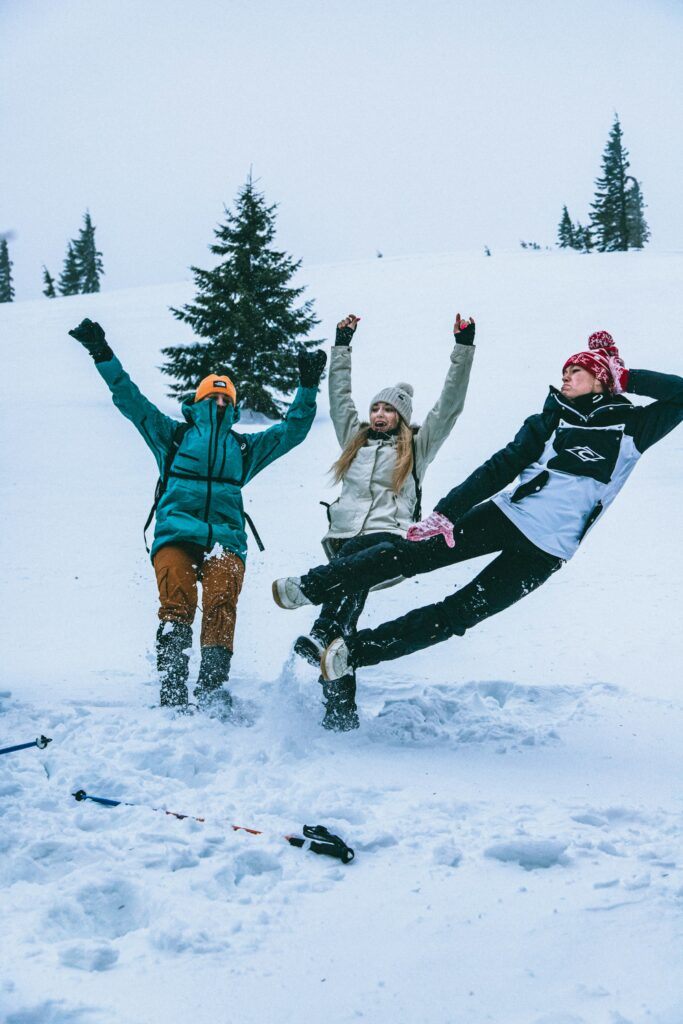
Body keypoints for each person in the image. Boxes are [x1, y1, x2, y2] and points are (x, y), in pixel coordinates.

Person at [271, 330, 683, 687]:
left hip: (548, 552)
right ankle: (312, 586)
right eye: (563, 372)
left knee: (458, 615)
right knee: (413, 557)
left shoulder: (634, 428)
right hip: (506, 517)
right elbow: (499, 468)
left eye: (575, 371)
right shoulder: (548, 421)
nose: (565, 378)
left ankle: (352, 654)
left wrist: (624, 375)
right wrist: (447, 512)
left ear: (599, 380)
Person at [69, 318, 326, 712]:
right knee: (178, 601)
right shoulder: (171, 436)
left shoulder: (243, 449)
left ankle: (211, 689)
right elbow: (129, 399)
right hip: (175, 534)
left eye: (226, 399)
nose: (220, 403)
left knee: (222, 598)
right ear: (199, 401)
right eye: (213, 397)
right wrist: (101, 352)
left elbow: (292, 432)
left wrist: (307, 386)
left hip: (225, 538)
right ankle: (172, 689)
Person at [273, 310, 477, 730]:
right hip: (344, 542)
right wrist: (342, 346)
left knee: (359, 558)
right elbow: (339, 398)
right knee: (339, 638)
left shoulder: (417, 448)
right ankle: (339, 713)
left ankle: (322, 623)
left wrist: (463, 348)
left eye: (388, 409)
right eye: (376, 408)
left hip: (388, 543)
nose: (380, 414)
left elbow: (449, 408)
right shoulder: (355, 441)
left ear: (401, 416)